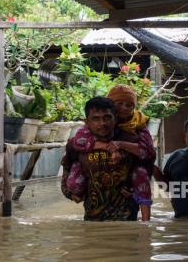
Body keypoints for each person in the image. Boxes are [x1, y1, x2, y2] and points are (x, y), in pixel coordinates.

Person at [65, 85, 155, 221]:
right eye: (96, 119)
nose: (102, 123)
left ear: (114, 117)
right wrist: (69, 193)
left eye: (107, 117)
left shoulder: (133, 140)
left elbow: (148, 164)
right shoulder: (77, 143)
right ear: (87, 122)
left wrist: (134, 190)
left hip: (127, 220)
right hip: (93, 220)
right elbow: (67, 167)